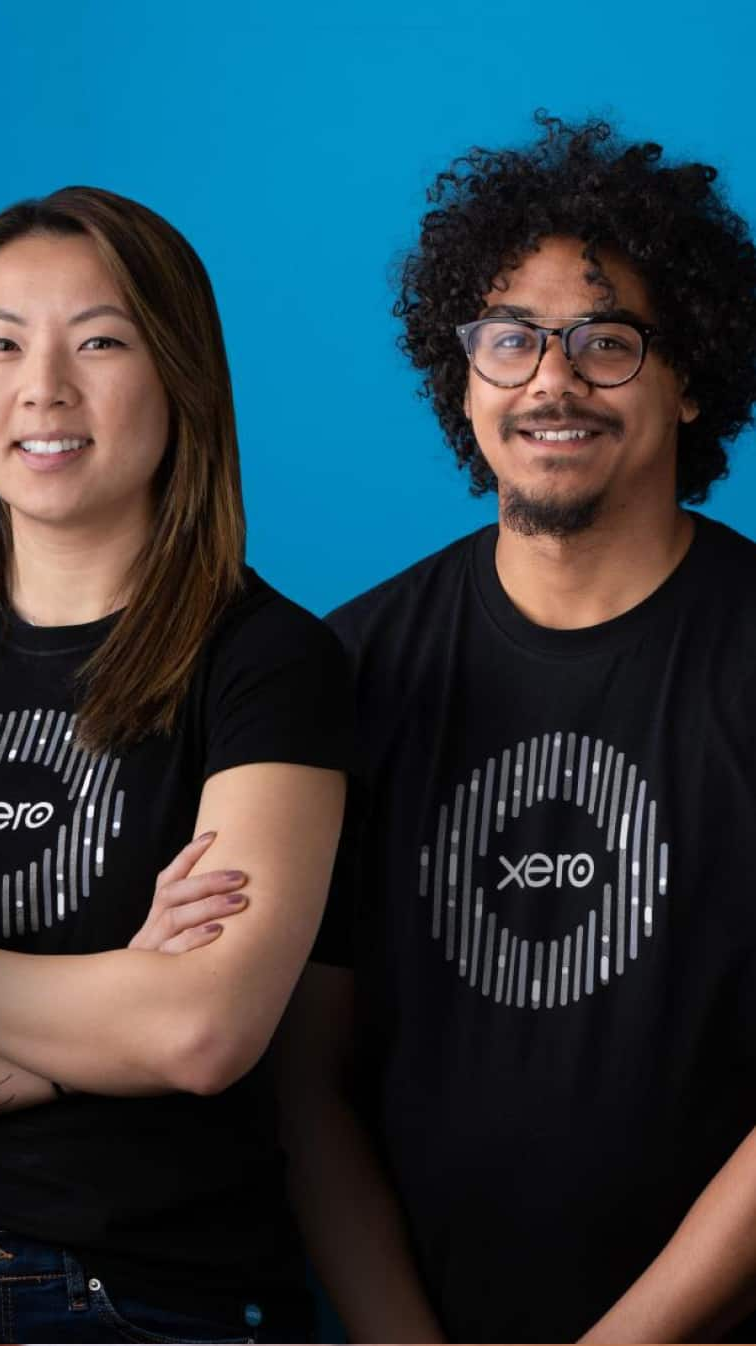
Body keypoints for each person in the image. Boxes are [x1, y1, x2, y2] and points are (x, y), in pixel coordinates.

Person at [0, 186, 351, 1344]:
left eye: (100, 340)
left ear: (179, 375)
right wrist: (108, 1008)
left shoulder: (267, 663)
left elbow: (198, 1032)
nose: (44, 386)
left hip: (162, 1302)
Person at [278, 114, 756, 1343]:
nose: (551, 379)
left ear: (687, 372)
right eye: (509, 340)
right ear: (464, 377)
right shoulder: (343, 667)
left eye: (604, 341)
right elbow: (303, 1078)